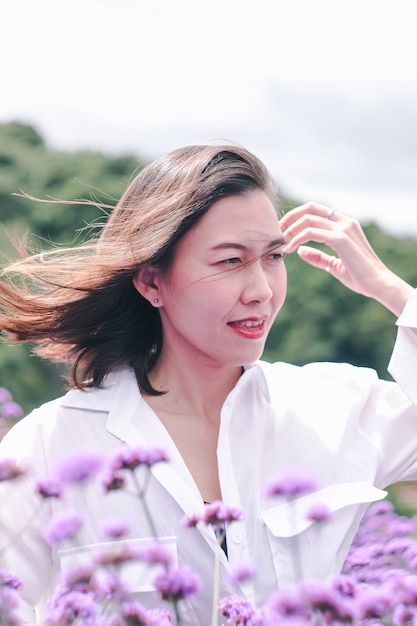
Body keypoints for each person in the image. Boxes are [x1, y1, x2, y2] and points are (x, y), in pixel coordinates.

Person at [0, 143, 416, 625]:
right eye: (229, 261)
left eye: (273, 257)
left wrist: (391, 289)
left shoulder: (334, 410)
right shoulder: (53, 443)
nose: (261, 289)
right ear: (152, 282)